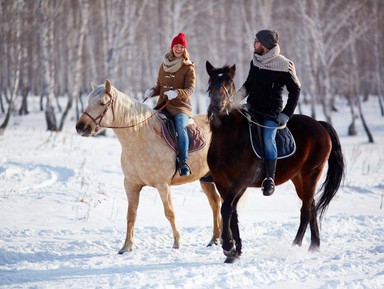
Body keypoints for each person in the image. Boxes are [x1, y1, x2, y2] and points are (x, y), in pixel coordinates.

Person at [235, 29, 301, 196]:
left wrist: (286, 114)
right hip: (251, 109)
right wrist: (233, 100)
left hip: (271, 114)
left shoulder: (285, 64)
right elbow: (248, 85)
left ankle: (269, 179)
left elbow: (295, 90)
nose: (253, 44)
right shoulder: (255, 61)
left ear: (264, 45)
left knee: (268, 139)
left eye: (256, 41)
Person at [144, 32, 195, 176]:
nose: (178, 49)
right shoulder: (164, 65)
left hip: (180, 107)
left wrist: (177, 93)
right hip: (163, 106)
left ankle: (183, 161)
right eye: (176, 46)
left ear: (184, 49)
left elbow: (190, 89)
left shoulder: (188, 67)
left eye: (181, 47)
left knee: (181, 127)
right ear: (172, 47)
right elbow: (160, 86)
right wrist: (152, 91)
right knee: (149, 124)